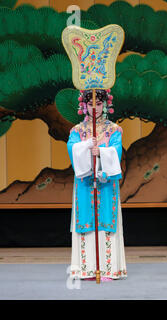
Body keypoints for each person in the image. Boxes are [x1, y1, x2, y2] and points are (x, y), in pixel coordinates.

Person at [67, 89, 127, 281]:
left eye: (99, 104)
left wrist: (100, 152)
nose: (95, 108)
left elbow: (116, 151)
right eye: (91, 104)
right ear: (84, 106)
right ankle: (85, 269)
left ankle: (109, 268)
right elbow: (72, 149)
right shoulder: (77, 130)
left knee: (106, 221)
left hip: (106, 183)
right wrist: (85, 147)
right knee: (86, 221)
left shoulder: (114, 130)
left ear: (105, 105)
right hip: (85, 183)